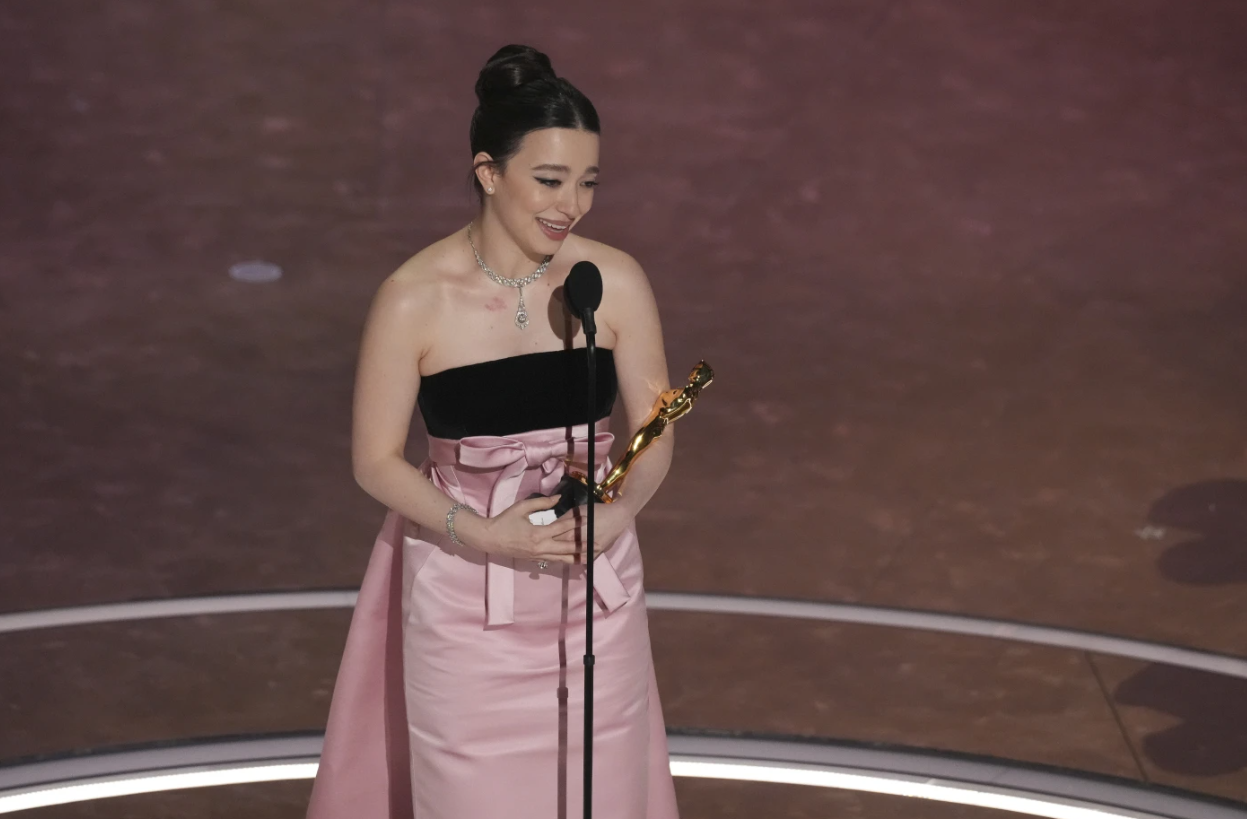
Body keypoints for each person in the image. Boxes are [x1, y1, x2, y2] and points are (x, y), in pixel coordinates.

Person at [306, 44, 681, 819]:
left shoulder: (612, 281)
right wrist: (478, 532)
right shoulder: (413, 297)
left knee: (599, 794)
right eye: (549, 180)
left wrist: (618, 512)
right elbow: (375, 461)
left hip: (592, 591)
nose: (569, 204)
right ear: (487, 172)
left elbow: (655, 428)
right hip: (464, 597)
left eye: (586, 182)